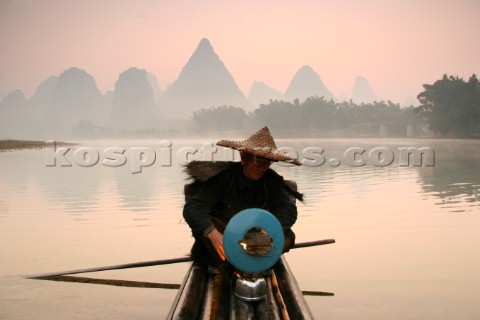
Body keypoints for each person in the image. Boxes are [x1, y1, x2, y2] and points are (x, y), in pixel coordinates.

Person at [182, 126, 303, 267]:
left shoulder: (271, 180)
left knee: (288, 237)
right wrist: (211, 232)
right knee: (209, 242)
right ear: (244, 157)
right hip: (226, 233)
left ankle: (258, 261)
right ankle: (227, 265)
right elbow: (193, 207)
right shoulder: (223, 178)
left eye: (267, 164)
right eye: (258, 161)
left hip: (256, 233)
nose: (262, 168)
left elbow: (287, 208)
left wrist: (267, 231)